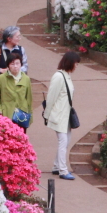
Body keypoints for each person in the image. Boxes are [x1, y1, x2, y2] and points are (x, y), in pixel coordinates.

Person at [44, 51, 80, 180]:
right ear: (70, 63)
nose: (76, 66)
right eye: (76, 63)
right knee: (63, 141)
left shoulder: (66, 75)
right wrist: (47, 115)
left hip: (65, 115)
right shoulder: (59, 76)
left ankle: (57, 166)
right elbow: (51, 97)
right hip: (59, 115)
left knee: (66, 141)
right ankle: (63, 170)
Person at [0, 50, 33, 131]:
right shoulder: (2, 78)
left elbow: (29, 98)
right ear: (8, 66)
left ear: (21, 64)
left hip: (22, 114)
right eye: (12, 64)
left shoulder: (26, 79)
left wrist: (30, 115)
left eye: (17, 63)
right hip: (7, 113)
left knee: (21, 139)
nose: (15, 66)